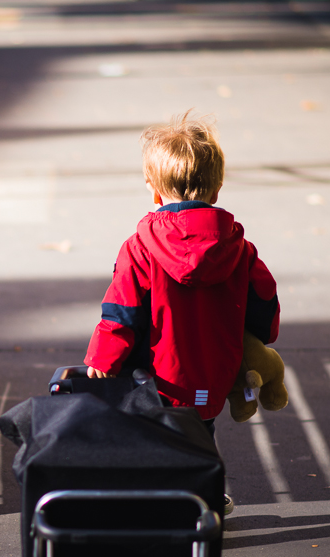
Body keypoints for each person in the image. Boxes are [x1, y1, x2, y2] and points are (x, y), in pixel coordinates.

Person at [84, 113, 280, 515]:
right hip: (214, 368)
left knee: (155, 433)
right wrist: (258, 339)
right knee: (200, 431)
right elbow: (264, 297)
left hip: (157, 373)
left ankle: (156, 499)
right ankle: (205, 498)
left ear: (154, 191)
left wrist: (103, 357)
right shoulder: (239, 248)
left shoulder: (140, 247)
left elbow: (121, 310)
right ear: (218, 188)